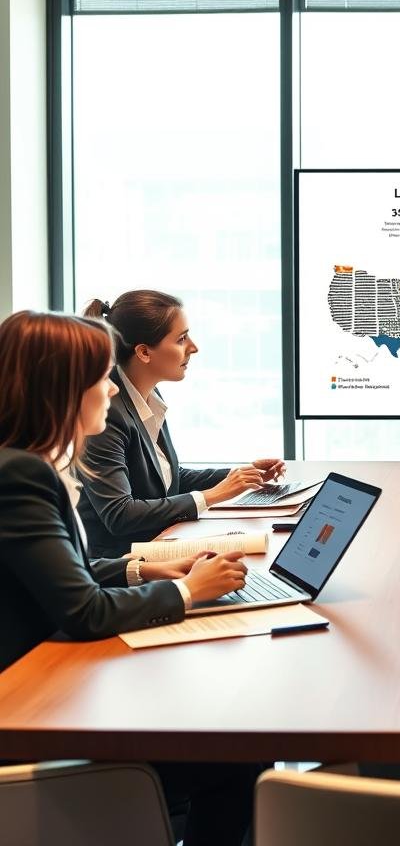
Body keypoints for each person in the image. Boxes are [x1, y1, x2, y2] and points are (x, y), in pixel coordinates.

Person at [0, 309, 257, 846]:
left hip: (43, 696)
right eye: (101, 379)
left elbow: (63, 573)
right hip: (30, 723)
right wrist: (188, 590)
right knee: (240, 757)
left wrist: (142, 568)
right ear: (63, 390)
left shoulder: (23, 462)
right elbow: (84, 610)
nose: (112, 391)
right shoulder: (21, 474)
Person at [78, 290, 285, 557]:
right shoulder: (106, 412)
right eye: (181, 339)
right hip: (122, 565)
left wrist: (240, 476)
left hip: (158, 547)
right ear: (144, 352)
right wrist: (212, 496)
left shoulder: (149, 396)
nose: (194, 347)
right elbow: (120, 514)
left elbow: (167, 478)